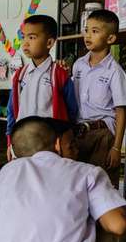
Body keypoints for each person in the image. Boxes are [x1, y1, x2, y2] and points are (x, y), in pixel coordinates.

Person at [5, 14, 78, 159]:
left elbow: (72, 111)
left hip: (50, 145)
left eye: (32, 37)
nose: (25, 43)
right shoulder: (20, 75)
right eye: (23, 37)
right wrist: (10, 142)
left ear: (49, 42)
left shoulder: (59, 75)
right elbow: (11, 111)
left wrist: (64, 140)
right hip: (23, 142)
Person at [72, 9, 126, 186]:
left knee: (101, 187)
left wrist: (117, 147)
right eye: (86, 30)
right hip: (78, 134)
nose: (88, 35)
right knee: (77, 186)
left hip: (103, 135)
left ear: (110, 39)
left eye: (95, 31)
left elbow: (121, 112)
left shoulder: (115, 71)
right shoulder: (78, 65)